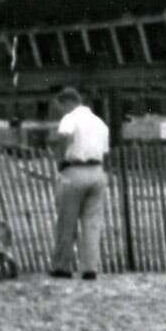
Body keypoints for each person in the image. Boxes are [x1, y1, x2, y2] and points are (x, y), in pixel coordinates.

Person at [48, 84, 110, 277]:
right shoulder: (100, 123)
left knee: (67, 221)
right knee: (92, 223)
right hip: (97, 172)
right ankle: (90, 268)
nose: (62, 110)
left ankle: (62, 267)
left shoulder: (70, 118)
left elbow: (65, 137)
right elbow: (104, 151)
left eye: (62, 106)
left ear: (68, 102)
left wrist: (61, 159)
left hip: (74, 171)